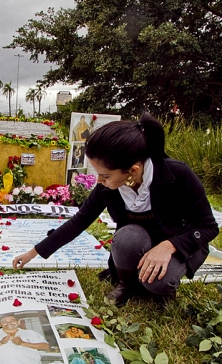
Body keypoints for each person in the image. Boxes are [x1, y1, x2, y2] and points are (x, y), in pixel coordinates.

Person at [13, 114, 219, 307]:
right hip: (138, 239)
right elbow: (80, 220)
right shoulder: (109, 188)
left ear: (133, 171)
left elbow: (208, 227)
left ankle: (161, 289)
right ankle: (127, 285)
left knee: (159, 283)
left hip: (178, 242)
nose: (99, 181)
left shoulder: (177, 174)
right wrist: (33, 252)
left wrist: (169, 246)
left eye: (105, 176)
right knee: (126, 237)